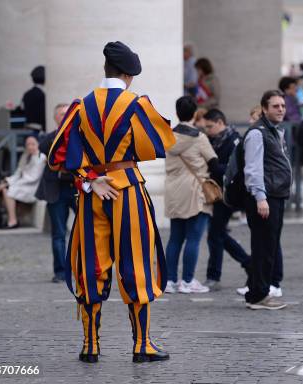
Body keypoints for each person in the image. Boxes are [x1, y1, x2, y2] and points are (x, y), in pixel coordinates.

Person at [47, 41, 176, 363]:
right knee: (137, 265)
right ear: (130, 74)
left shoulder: (81, 105)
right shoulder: (136, 103)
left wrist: (90, 178)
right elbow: (157, 145)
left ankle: (90, 346)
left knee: (91, 265)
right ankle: (141, 344)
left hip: (93, 192)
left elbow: (57, 156)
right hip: (128, 189)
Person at [243, 90, 292, 310]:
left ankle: (257, 292)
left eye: (282, 105)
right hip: (266, 198)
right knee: (264, 247)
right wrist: (260, 197)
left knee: (268, 246)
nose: (281, 109)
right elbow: (253, 168)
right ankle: (259, 295)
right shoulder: (257, 133)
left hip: (276, 195)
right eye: (275, 106)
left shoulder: (275, 131)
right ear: (264, 108)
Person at [164, 96, 218, 294]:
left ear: (177, 113)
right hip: (195, 190)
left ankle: (170, 281)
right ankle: (187, 281)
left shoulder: (167, 136)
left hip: (173, 189)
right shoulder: (199, 137)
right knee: (193, 238)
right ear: (195, 113)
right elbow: (213, 162)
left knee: (175, 238)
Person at [202, 108, 250, 290]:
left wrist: (213, 166)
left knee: (216, 234)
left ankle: (215, 275)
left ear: (221, 123)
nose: (207, 130)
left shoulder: (234, 140)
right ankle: (247, 263)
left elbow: (233, 168)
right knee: (218, 234)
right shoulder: (212, 139)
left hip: (229, 193)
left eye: (210, 126)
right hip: (216, 192)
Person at [35, 103, 77, 282]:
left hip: (77, 188)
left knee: (87, 231)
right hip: (56, 190)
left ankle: (86, 269)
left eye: (68, 113)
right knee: (59, 234)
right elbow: (42, 146)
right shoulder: (50, 138)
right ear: (55, 118)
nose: (66, 116)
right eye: (62, 114)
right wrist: (60, 135)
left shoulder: (79, 137)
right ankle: (60, 272)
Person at [0, 135, 46, 229]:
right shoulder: (26, 156)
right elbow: (18, 173)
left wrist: (10, 184)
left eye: (33, 144)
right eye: (28, 144)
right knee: (4, 188)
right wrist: (7, 181)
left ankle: (12, 220)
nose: (30, 146)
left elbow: (33, 178)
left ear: (38, 144)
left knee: (8, 190)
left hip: (32, 187)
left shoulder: (41, 157)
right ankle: (12, 219)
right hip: (23, 185)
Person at [21, 65, 46, 134]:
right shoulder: (42, 95)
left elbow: (22, 108)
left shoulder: (27, 94)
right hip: (39, 131)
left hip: (27, 128)